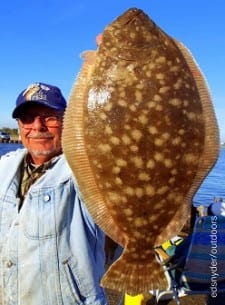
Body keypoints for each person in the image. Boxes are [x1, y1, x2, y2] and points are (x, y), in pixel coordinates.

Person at [0, 82, 108, 305]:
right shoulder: (5, 167)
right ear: (19, 126)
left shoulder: (87, 167)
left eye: (49, 117)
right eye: (28, 118)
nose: (37, 126)